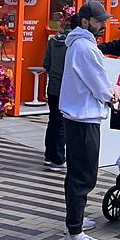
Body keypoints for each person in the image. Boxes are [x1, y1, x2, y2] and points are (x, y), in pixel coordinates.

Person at [60, 0, 119, 240]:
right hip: (84, 118)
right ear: (85, 22)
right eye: (98, 21)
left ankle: (76, 218)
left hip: (77, 117)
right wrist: (112, 95)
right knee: (84, 175)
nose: (102, 25)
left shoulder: (79, 44)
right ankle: (75, 232)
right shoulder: (85, 47)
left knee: (75, 172)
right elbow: (98, 82)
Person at [41, 23, 69, 171]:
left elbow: (46, 63)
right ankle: (58, 158)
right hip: (65, 89)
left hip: (52, 88)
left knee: (53, 122)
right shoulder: (72, 44)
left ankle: (49, 154)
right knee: (62, 125)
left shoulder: (53, 41)